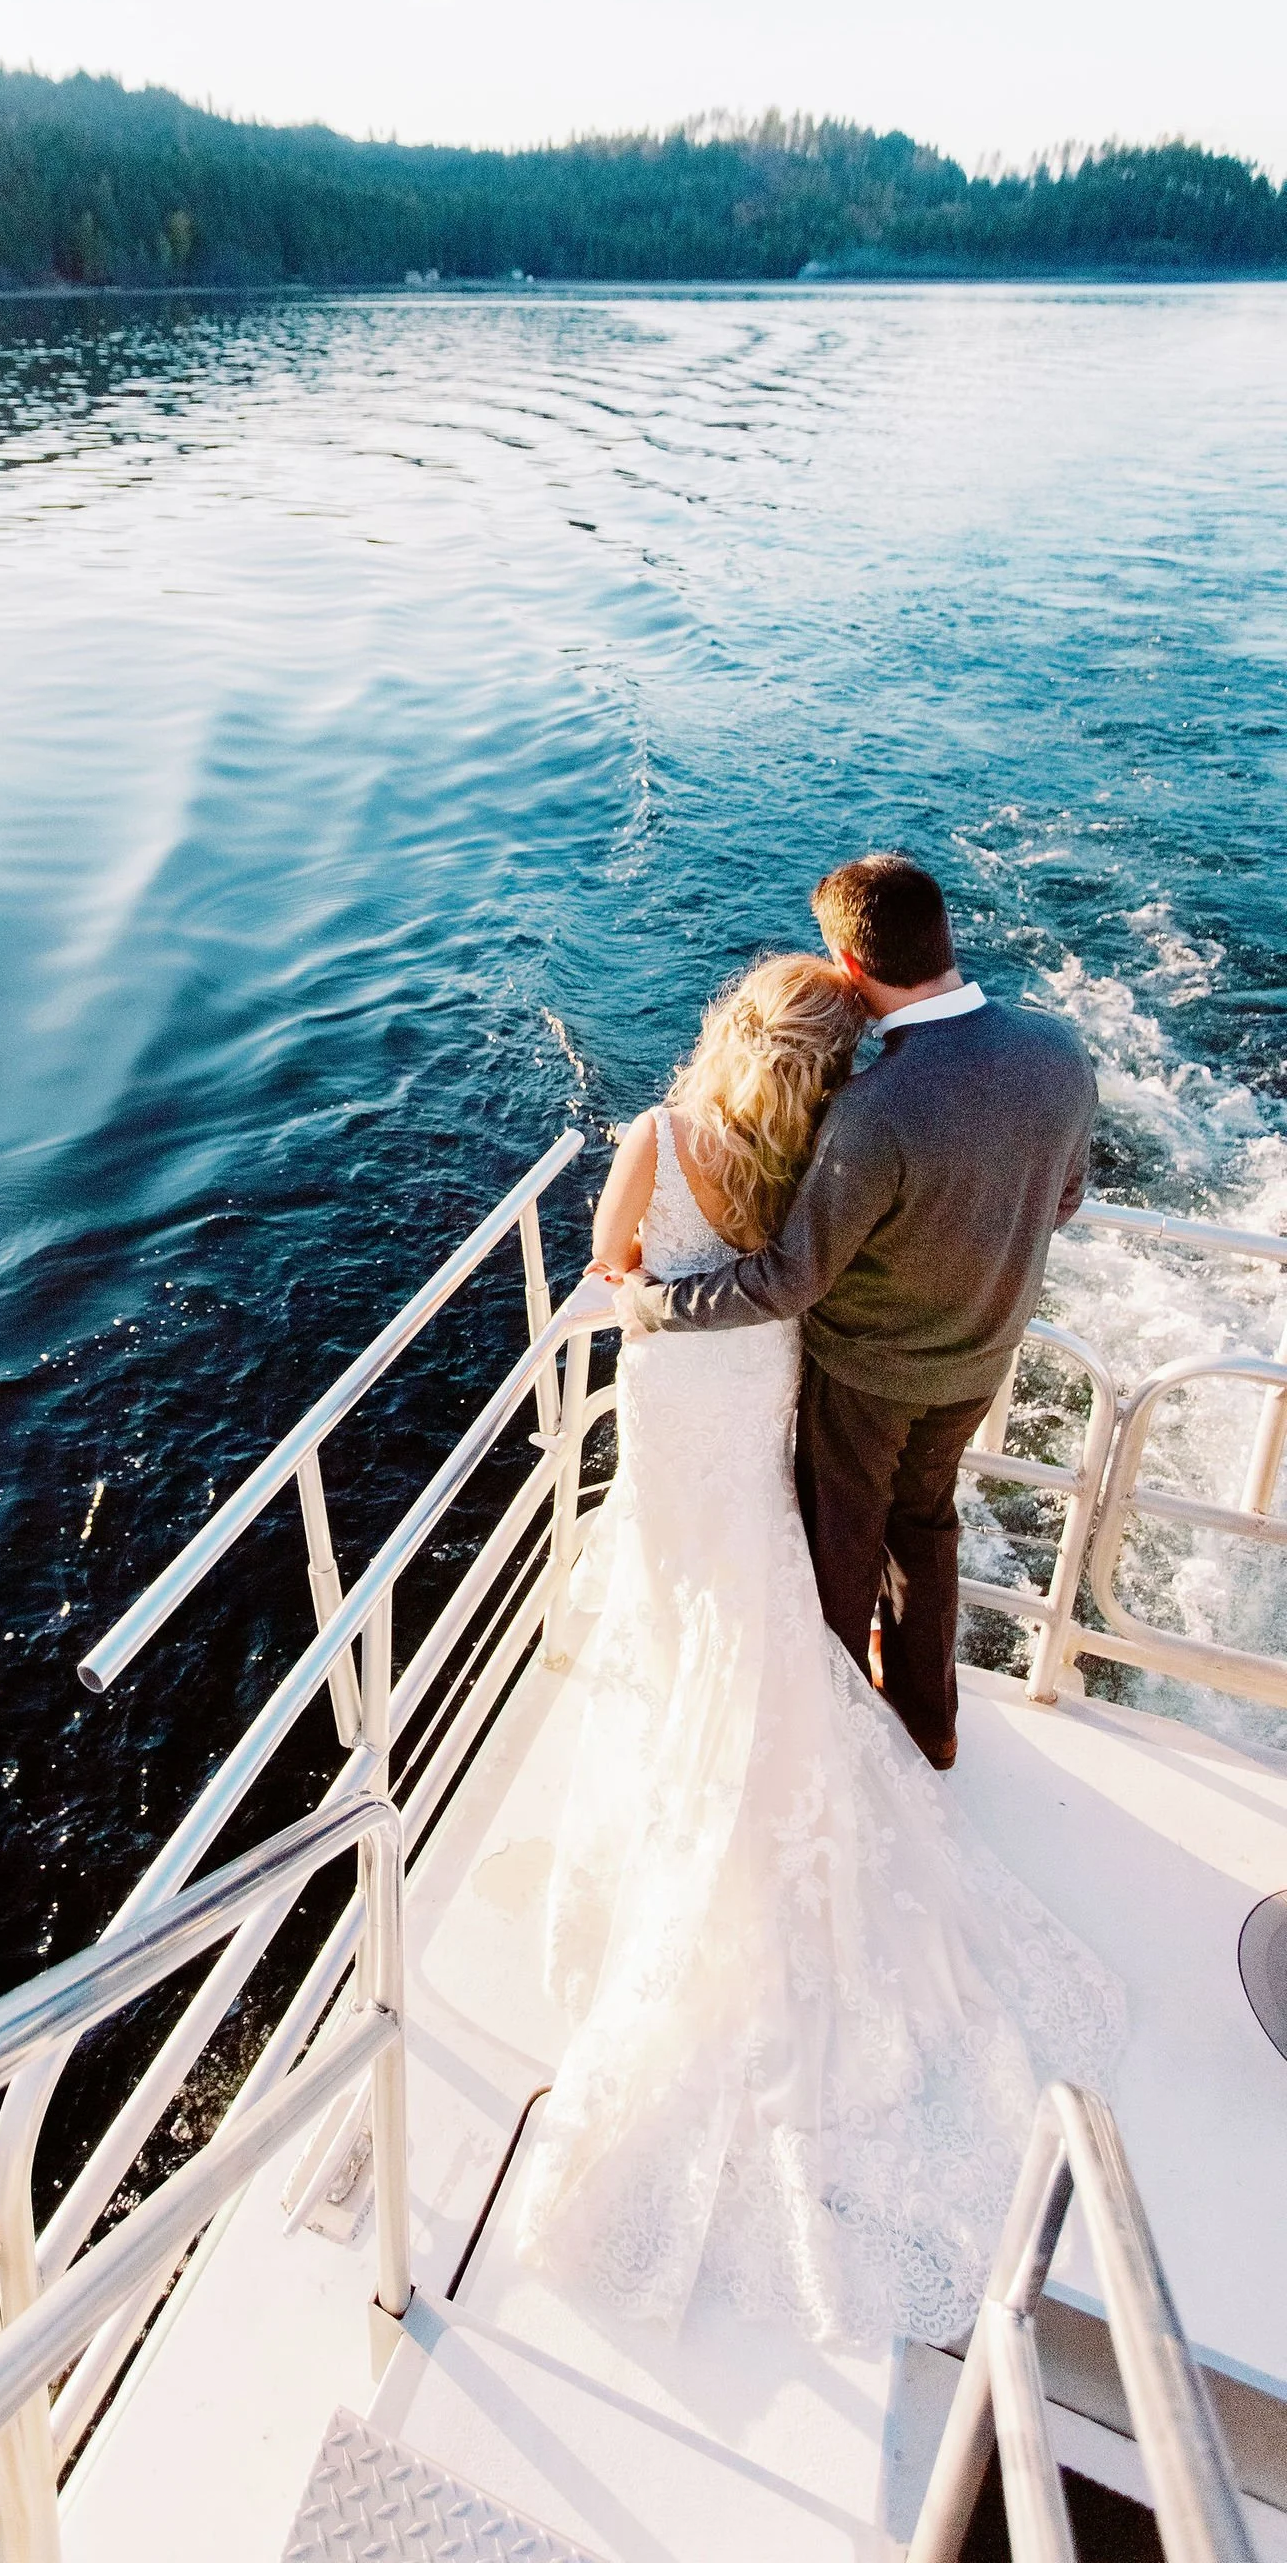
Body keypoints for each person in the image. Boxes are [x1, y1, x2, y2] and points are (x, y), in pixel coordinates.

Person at [515, 929, 1122, 2351]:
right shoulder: (832, 1139)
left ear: (733, 1031)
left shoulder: (661, 1136)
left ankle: (700, 1746)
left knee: (692, 1576)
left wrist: (644, 1290)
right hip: (782, 1387)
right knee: (782, 1570)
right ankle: (897, 1717)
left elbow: (612, 1267)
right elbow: (815, 1271)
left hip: (683, 1398)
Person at [618, 852, 1097, 1770]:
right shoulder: (1059, 1050)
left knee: (840, 1547)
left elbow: (786, 1282)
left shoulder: (874, 1109)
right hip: (980, 1362)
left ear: (847, 965)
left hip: (867, 1376)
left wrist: (655, 1303)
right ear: (943, 935)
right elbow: (1063, 1198)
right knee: (927, 1525)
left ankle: (833, 1748)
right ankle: (931, 1724)